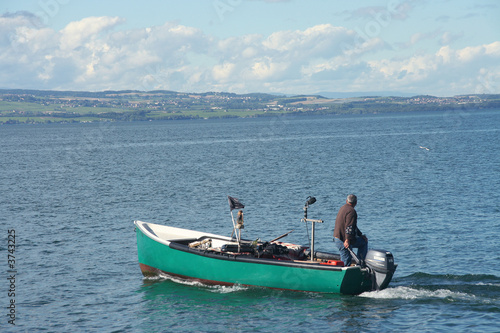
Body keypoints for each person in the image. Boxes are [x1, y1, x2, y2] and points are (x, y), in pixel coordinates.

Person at [333, 194, 368, 266]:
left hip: (337, 238)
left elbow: (353, 226)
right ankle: (360, 265)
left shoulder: (342, 208)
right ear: (356, 203)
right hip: (343, 240)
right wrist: (347, 240)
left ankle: (359, 264)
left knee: (362, 242)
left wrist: (360, 235)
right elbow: (349, 227)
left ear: (346, 201)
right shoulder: (352, 211)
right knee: (346, 261)